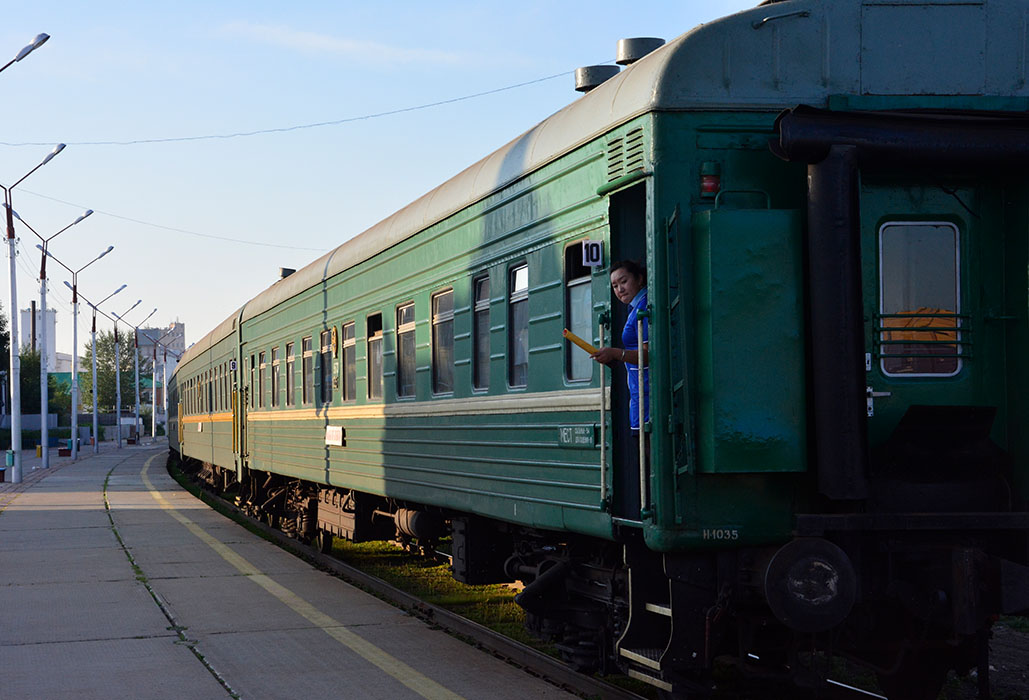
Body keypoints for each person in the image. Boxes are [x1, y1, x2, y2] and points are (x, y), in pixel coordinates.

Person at [591, 260, 649, 433]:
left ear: (639, 279)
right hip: (639, 392)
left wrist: (616, 353)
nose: (619, 289)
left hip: (647, 392)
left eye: (624, 281)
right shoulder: (635, 308)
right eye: (615, 286)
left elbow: (648, 355)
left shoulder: (644, 307)